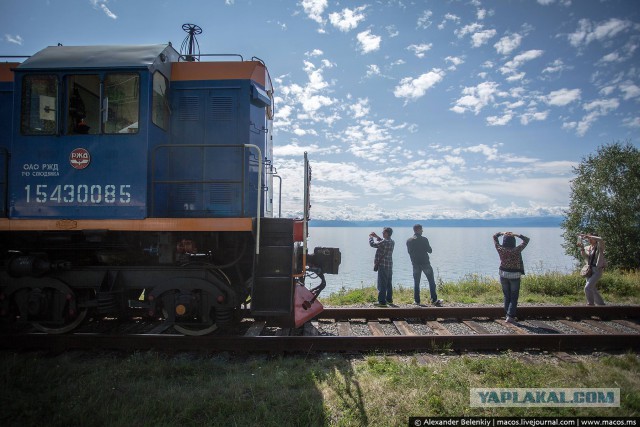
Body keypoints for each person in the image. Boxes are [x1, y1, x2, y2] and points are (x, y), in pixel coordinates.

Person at [493, 231, 530, 323]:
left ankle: (507, 315)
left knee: (507, 296)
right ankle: (510, 316)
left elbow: (494, 237)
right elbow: (526, 240)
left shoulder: (500, 249)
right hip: (515, 275)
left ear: (504, 241)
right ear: (513, 241)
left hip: (503, 274)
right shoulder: (517, 250)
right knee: (514, 297)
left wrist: (502, 233)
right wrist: (517, 235)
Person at [406, 224, 443, 307]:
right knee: (431, 282)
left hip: (415, 264)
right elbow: (430, 250)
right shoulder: (424, 239)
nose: (422, 231)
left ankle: (417, 301)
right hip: (425, 263)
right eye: (422, 229)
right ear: (419, 230)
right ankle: (434, 299)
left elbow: (409, 252)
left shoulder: (409, 241)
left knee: (416, 283)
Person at [578, 233, 606, 306]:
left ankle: (590, 304)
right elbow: (585, 257)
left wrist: (589, 236)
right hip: (589, 269)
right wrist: (582, 248)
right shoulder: (588, 247)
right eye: (588, 239)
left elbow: (600, 239)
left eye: (591, 238)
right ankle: (601, 305)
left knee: (587, 288)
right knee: (592, 289)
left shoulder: (600, 246)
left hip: (597, 269)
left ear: (595, 239)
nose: (589, 240)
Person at [369, 227, 395, 307]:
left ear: (387, 233)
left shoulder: (384, 242)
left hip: (382, 265)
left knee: (382, 284)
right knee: (388, 283)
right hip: (389, 265)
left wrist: (371, 238)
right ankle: (389, 300)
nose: (382, 233)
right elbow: (382, 241)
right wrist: (377, 237)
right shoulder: (391, 241)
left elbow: (373, 244)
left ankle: (382, 302)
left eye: (383, 232)